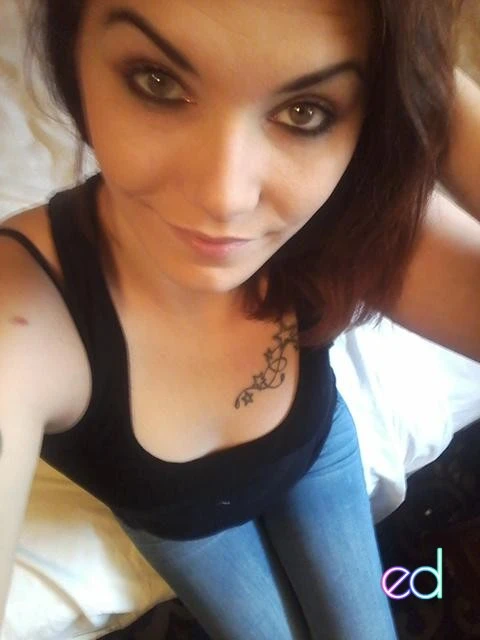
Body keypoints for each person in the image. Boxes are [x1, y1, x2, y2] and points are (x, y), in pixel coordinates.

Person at [0, 0, 479, 638]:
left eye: (305, 111)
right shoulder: (22, 310)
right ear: (74, 59)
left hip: (317, 452)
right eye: (157, 81)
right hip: (188, 527)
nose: (224, 199)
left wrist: (423, 84)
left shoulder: (341, 215)